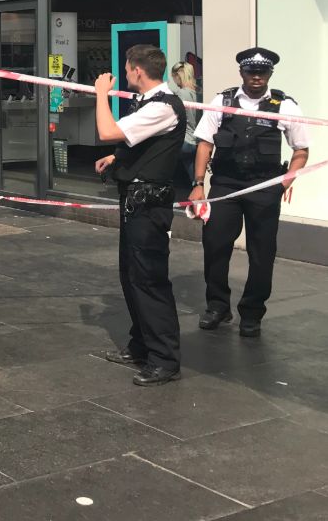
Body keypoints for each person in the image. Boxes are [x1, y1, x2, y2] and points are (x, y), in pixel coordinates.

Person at [189, 47, 310, 337]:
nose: (256, 77)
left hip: (264, 187)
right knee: (215, 245)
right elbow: (205, 144)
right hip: (226, 186)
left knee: (261, 252)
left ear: (270, 74)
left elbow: (301, 151)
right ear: (242, 72)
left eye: (263, 72)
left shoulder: (286, 106)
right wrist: (197, 185)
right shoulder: (223, 100)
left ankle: (252, 312)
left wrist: (282, 185)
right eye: (251, 71)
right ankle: (218, 306)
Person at [93, 44, 186, 387]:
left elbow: (107, 130)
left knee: (149, 279)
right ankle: (142, 345)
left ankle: (165, 359)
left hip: (149, 205)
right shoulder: (149, 104)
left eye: (127, 68)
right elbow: (144, 143)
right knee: (131, 274)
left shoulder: (163, 106)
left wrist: (101, 94)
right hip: (136, 200)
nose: (125, 73)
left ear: (136, 70)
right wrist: (117, 159)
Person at [171, 62, 201, 186]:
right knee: (198, 177)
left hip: (185, 140)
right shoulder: (199, 93)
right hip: (198, 141)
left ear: (178, 76)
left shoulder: (180, 94)